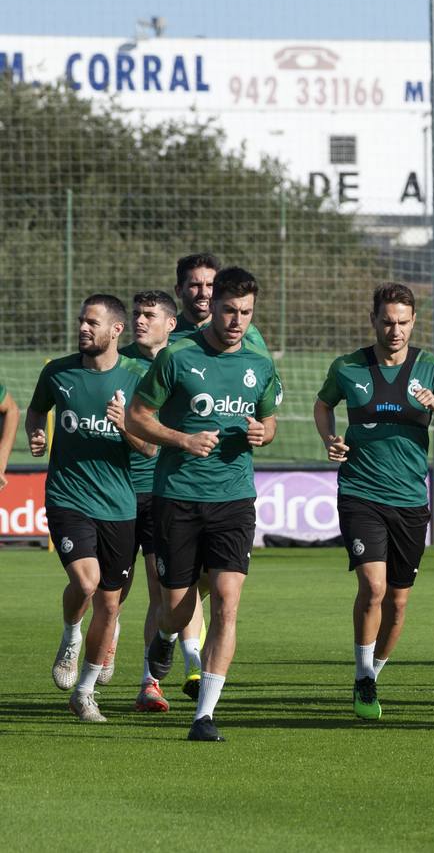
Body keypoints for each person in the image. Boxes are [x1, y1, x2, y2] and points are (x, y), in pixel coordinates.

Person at [128, 267, 283, 741]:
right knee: (176, 607)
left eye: (246, 313)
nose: (237, 321)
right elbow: (137, 417)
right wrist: (181, 439)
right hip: (177, 497)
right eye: (230, 310)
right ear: (213, 306)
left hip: (235, 499)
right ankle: (165, 637)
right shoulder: (177, 357)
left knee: (228, 604)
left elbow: (269, 420)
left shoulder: (260, 363)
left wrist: (264, 432)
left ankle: (205, 715)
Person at [315, 283, 434, 720]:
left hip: (409, 499)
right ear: (373, 320)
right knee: (374, 587)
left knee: (398, 603)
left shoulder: (432, 368)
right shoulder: (348, 366)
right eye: (387, 321)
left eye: (403, 322)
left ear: (413, 321)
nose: (395, 329)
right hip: (361, 492)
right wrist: (330, 438)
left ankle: (374, 673)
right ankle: (363, 674)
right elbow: (323, 404)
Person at [27, 294, 152, 722]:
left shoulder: (138, 378)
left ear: (116, 330)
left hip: (119, 505)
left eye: (92, 322)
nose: (83, 327)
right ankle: (70, 636)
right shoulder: (57, 372)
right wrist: (36, 435)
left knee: (111, 606)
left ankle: (84, 692)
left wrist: (125, 427)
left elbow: (151, 449)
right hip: (67, 497)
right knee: (86, 582)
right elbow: (34, 411)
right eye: (81, 320)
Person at [120, 290, 197, 714]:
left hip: (165, 493)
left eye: (149, 315)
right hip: (114, 490)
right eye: (136, 314)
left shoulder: (188, 361)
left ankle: (151, 682)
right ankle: (91, 656)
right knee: (111, 593)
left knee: (161, 590)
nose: (139, 321)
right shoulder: (120, 362)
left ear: (171, 323)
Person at [169, 253, 269, 352]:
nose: (204, 293)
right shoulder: (166, 332)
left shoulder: (245, 334)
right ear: (179, 291)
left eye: (210, 285)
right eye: (195, 285)